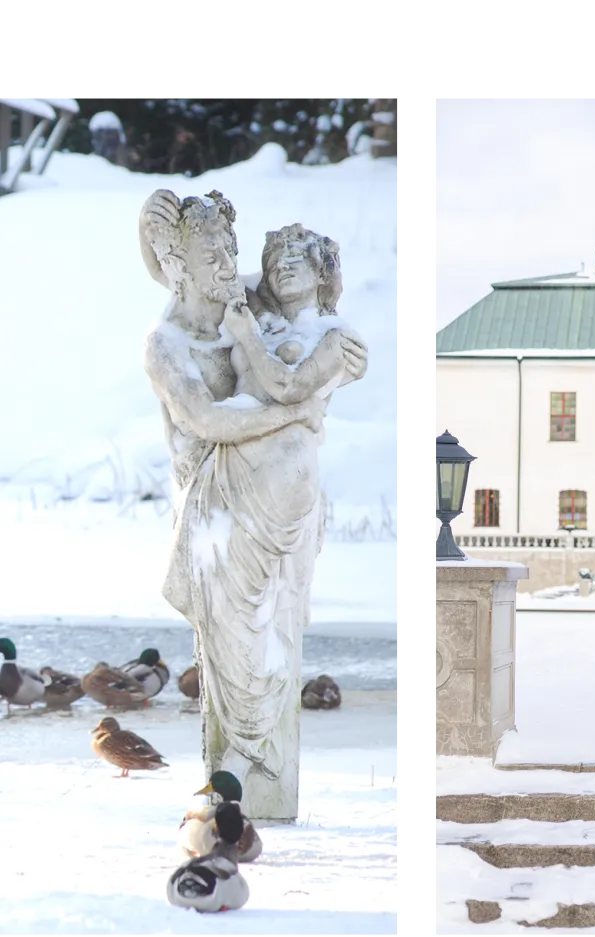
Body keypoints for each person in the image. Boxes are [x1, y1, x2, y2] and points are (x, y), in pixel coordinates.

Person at [138, 189, 366, 821]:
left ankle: (259, 776)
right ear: (183, 262)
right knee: (236, 644)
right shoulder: (165, 345)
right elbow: (208, 419)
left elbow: (309, 300)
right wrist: (298, 410)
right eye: (213, 250)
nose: (229, 259)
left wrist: (343, 359)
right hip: (215, 509)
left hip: (279, 508)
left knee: (276, 632)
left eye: (232, 247)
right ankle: (240, 770)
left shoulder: (243, 302)